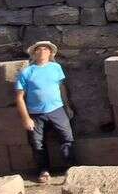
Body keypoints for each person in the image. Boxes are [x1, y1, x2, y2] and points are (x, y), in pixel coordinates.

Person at [14, 41, 76, 183]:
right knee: (37, 143)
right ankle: (44, 170)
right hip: (35, 113)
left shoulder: (56, 68)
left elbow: (62, 88)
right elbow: (19, 97)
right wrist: (25, 118)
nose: (42, 51)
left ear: (50, 53)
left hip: (57, 109)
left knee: (67, 138)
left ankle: (71, 168)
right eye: (39, 49)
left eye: (45, 49)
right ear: (34, 53)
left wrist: (67, 107)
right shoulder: (26, 72)